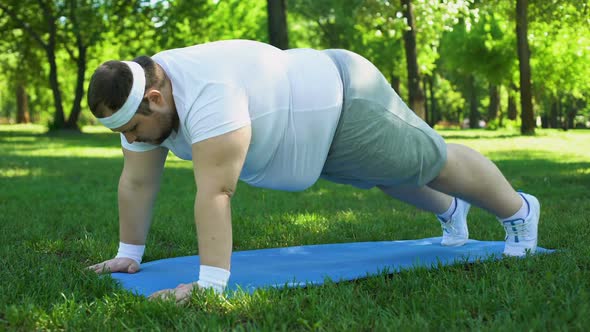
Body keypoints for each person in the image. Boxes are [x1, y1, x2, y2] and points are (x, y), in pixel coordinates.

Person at [86, 39, 540, 302]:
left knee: (431, 163)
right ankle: (453, 211)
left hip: (346, 103)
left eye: (133, 129)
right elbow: (137, 180)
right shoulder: (144, 95)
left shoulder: (208, 95)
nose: (134, 139)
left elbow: (216, 193)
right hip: (311, 138)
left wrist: (210, 286)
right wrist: (130, 252)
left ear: (156, 100)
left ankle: (519, 212)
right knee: (390, 177)